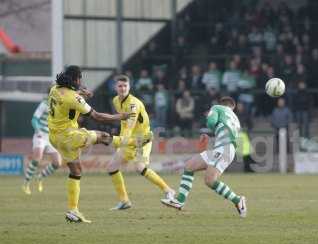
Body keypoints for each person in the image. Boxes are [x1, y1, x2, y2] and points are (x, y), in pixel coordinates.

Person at [48, 66, 135, 223]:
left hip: (55, 137)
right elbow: (97, 116)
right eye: (80, 78)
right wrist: (120, 116)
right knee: (103, 136)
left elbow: (67, 95)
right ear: (76, 79)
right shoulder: (74, 98)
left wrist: (81, 92)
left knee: (76, 170)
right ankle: (128, 142)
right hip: (69, 136)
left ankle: (73, 211)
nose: (81, 81)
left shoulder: (55, 89)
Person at [161, 96, 247, 218]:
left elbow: (211, 122)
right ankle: (179, 201)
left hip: (224, 148)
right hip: (225, 148)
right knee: (189, 166)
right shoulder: (235, 119)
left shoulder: (217, 107)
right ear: (232, 107)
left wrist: (209, 126)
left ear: (222, 104)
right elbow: (226, 132)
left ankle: (238, 200)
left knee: (210, 180)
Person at [107, 75, 176, 210]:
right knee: (111, 167)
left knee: (140, 167)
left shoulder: (134, 104)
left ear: (129, 87)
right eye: (120, 86)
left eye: (125, 86)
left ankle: (169, 191)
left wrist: (118, 140)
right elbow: (123, 122)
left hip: (141, 139)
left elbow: (129, 126)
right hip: (128, 140)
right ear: (115, 87)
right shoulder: (116, 100)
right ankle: (124, 201)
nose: (122, 88)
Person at [22, 96, 62, 195]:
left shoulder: (62, 105)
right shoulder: (45, 103)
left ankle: (40, 177)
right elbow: (34, 119)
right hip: (40, 135)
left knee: (57, 163)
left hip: (51, 137)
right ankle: (26, 183)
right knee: (37, 158)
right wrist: (38, 130)